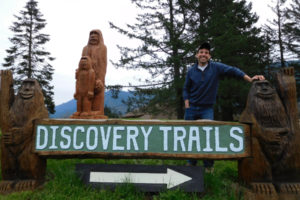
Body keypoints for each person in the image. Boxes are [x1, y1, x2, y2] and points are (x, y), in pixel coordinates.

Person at [183, 42, 265, 172]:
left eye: (206, 53)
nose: (203, 54)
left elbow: (233, 70)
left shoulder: (216, 67)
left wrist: (249, 79)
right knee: (189, 136)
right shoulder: (191, 71)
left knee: (207, 136)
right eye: (201, 52)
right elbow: (186, 88)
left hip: (207, 109)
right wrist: (186, 102)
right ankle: (191, 164)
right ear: (197, 55)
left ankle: (208, 167)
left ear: (209, 56)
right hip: (191, 109)